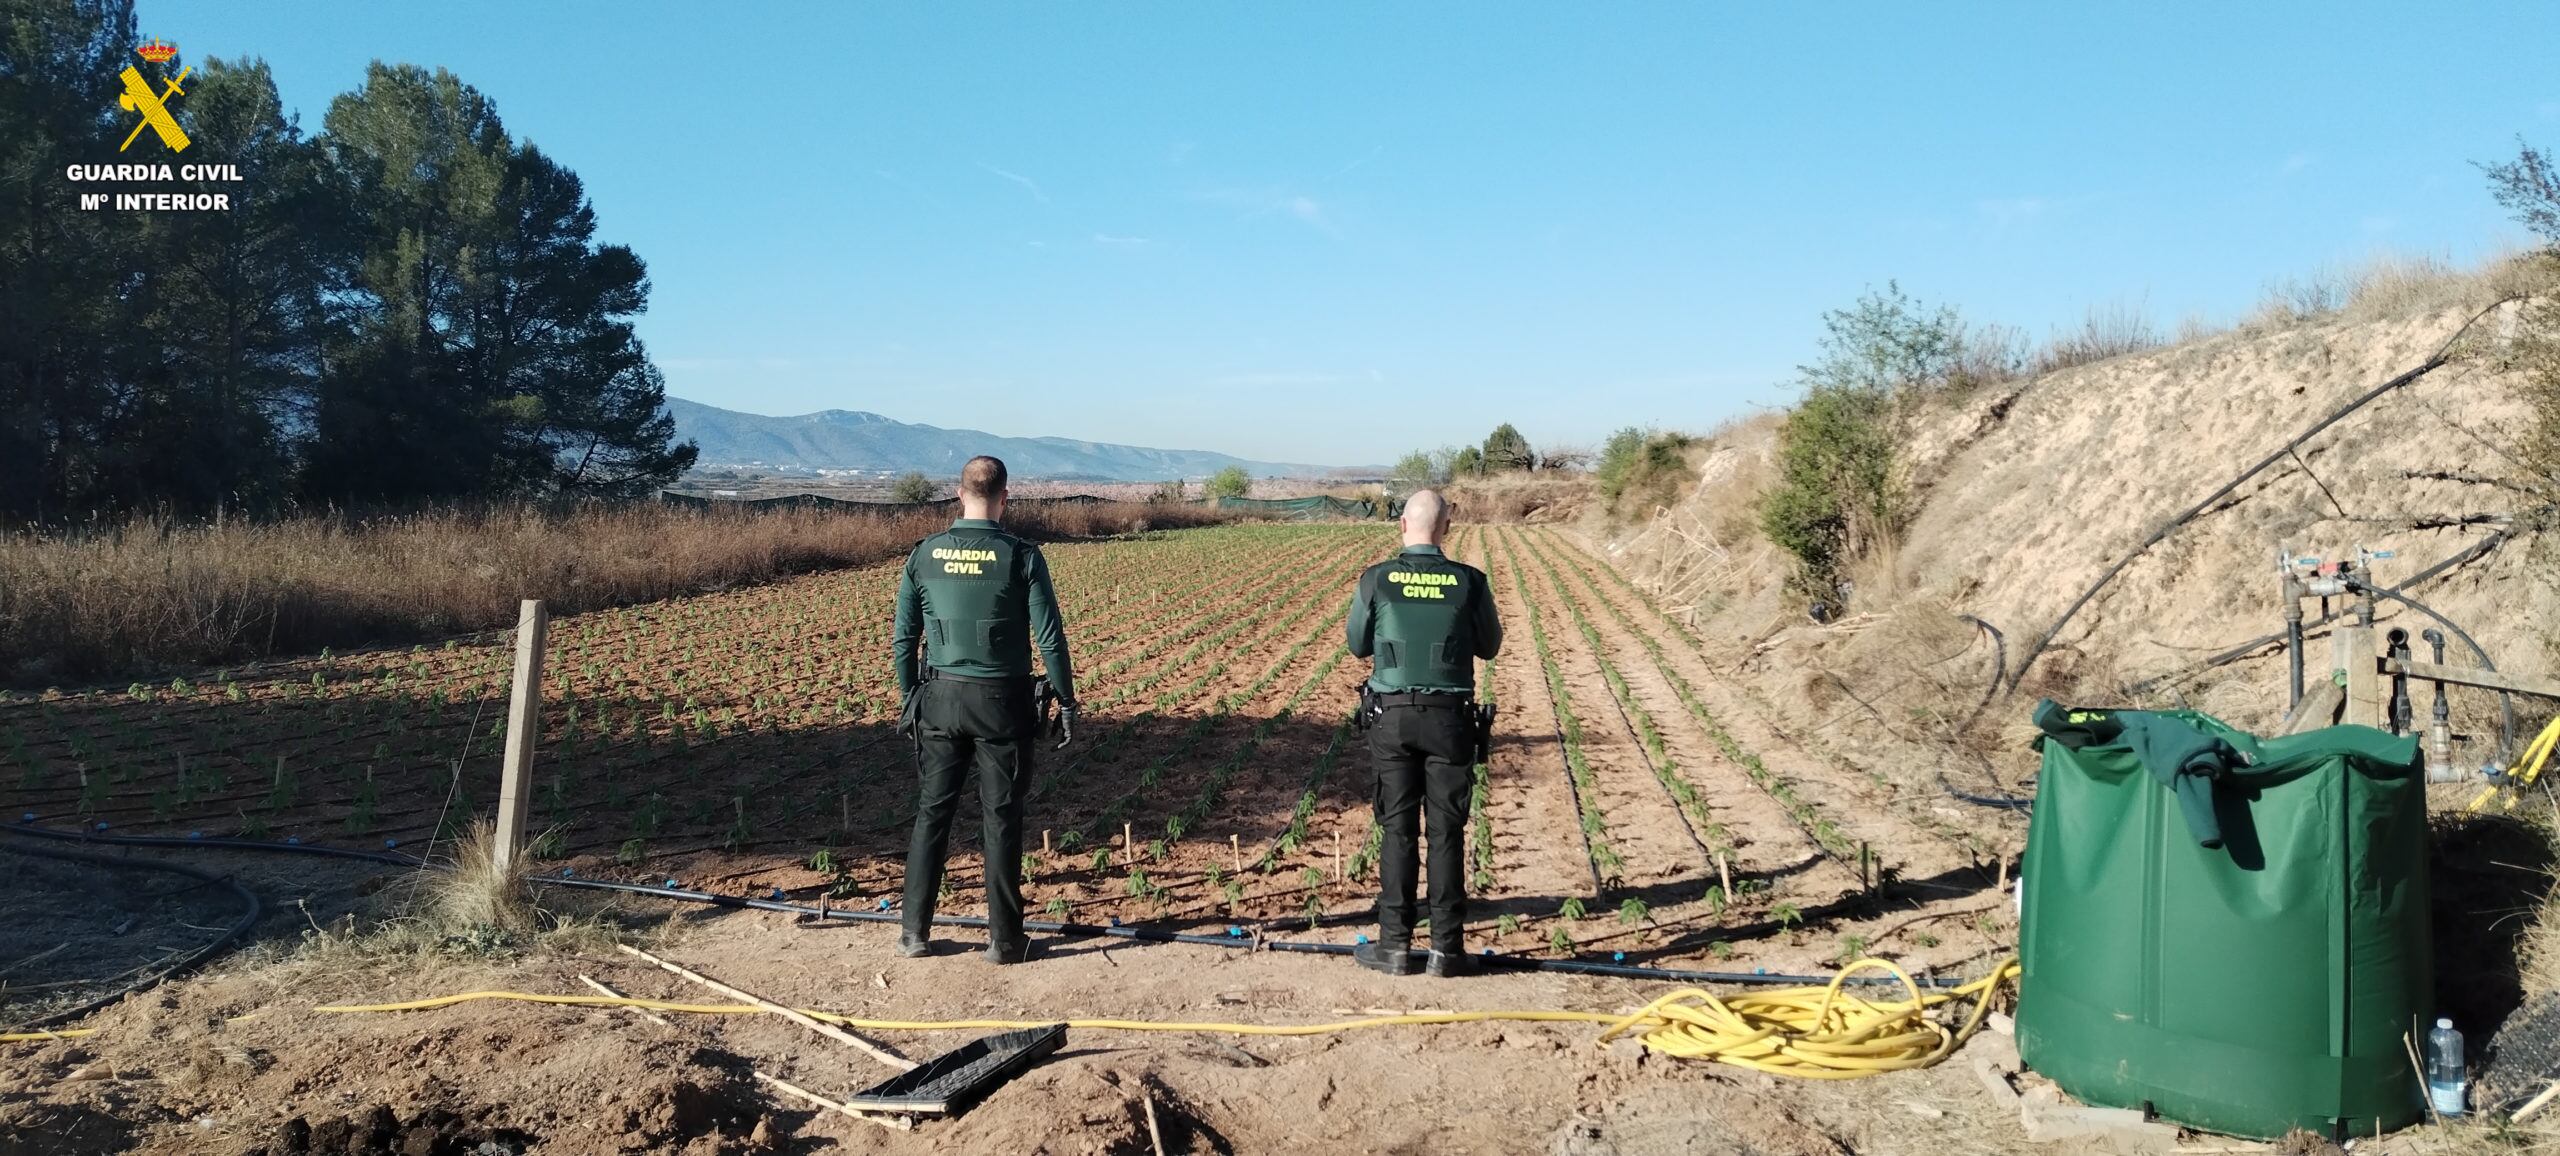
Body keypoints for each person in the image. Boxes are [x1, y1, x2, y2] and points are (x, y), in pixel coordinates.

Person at [891, 455, 1078, 964]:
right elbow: (1050, 639)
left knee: (933, 812)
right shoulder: (1021, 556)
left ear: (959, 494)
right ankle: (1004, 940)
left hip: (941, 700)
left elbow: (904, 639)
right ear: (1005, 497)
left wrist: (912, 697)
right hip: (1002, 704)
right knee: (1001, 818)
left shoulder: (924, 555)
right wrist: (1065, 698)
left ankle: (914, 932)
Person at [1344, 489, 1502, 977]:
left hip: (1390, 718)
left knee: (1397, 828)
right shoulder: (1470, 582)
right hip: (1450, 720)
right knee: (1447, 830)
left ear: (1402, 526)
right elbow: (1490, 646)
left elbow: (1357, 645)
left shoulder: (1377, 579)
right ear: (1446, 529)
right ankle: (1446, 950)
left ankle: (1393, 946)